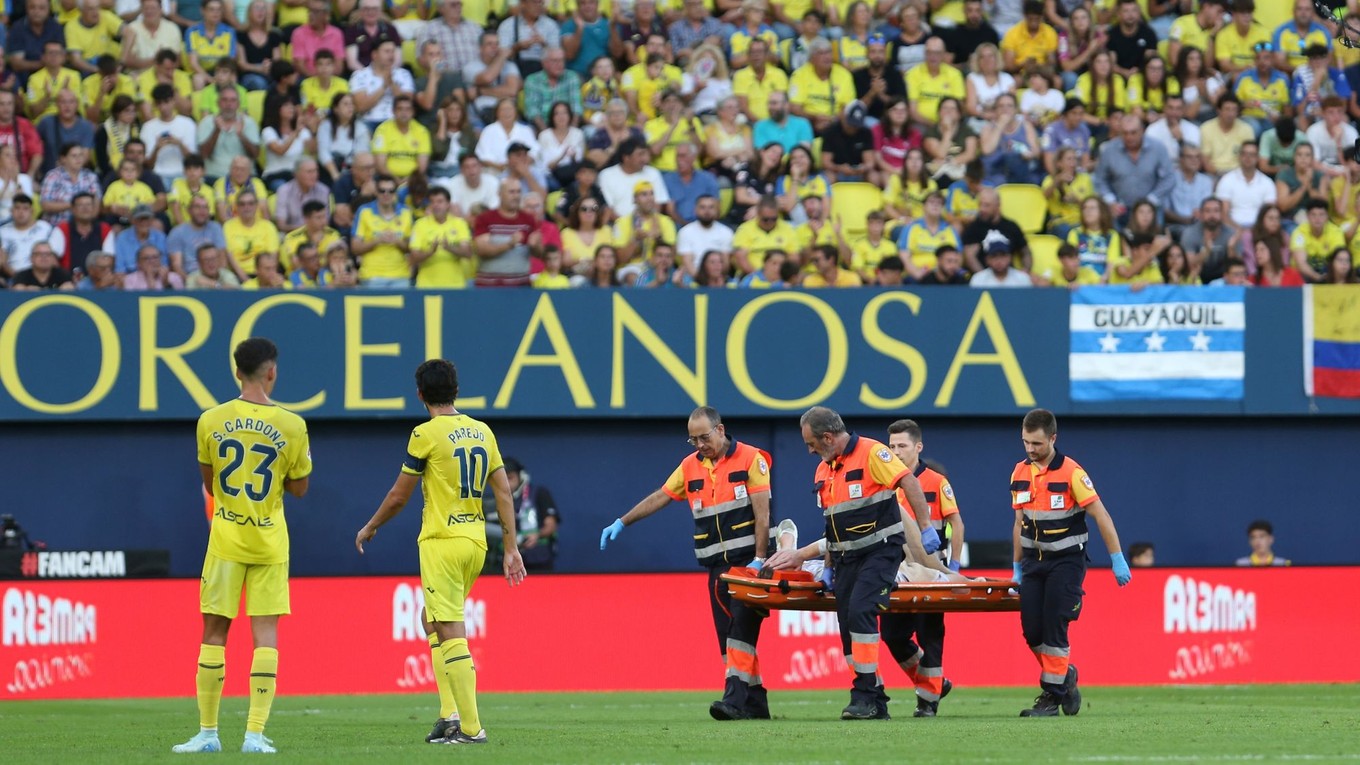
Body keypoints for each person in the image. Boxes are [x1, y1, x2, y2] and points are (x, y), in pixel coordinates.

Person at [356, 358, 525, 746]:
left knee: (449, 628)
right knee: (430, 619)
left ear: (419, 394)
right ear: (457, 390)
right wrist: (511, 548)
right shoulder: (482, 431)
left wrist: (371, 525)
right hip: (476, 542)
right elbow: (502, 490)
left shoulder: (425, 434)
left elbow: (400, 494)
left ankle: (470, 727)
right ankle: (449, 714)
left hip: (442, 542)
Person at [174, 337, 311, 754]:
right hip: (269, 541)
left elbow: (209, 481)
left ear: (237, 372)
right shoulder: (292, 425)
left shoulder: (210, 419)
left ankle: (208, 734)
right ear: (272, 372)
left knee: (214, 632)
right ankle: (253, 736)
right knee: (265, 634)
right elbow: (301, 488)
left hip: (226, 539)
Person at [765, 406, 943, 721]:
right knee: (847, 625)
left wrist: (927, 527)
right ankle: (873, 697)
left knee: (861, 612)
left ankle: (865, 695)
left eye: (812, 443)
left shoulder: (873, 453)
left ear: (829, 437)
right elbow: (832, 525)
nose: (809, 450)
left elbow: (909, 483)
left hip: (881, 551)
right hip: (845, 558)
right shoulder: (824, 469)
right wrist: (830, 565)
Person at [600, 406, 774, 722]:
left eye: (704, 437)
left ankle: (734, 702)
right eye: (692, 439)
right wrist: (622, 522)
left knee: (740, 631)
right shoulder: (689, 466)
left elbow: (762, 515)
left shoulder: (751, 459)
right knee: (728, 640)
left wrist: (760, 558)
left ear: (720, 430)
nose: (699, 445)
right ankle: (756, 704)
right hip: (716, 568)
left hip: (748, 565)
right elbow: (661, 496)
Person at [1011, 408, 1129, 718]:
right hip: (1034, 563)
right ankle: (1065, 677)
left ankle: (1051, 696)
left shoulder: (1072, 473)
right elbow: (1018, 523)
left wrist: (1117, 558)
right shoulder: (1019, 473)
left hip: (1066, 561)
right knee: (1031, 631)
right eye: (1025, 442)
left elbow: (1100, 515)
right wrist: (1016, 566)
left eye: (1036, 444)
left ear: (1052, 438)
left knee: (1055, 626)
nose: (1030, 449)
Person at [879, 419, 964, 718]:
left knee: (930, 634)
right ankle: (935, 681)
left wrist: (952, 566)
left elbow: (956, 523)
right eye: (891, 446)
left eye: (901, 445)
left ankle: (927, 701)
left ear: (918, 447)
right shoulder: (884, 480)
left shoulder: (936, 481)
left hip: (929, 570)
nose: (896, 451)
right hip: (896, 572)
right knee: (892, 635)